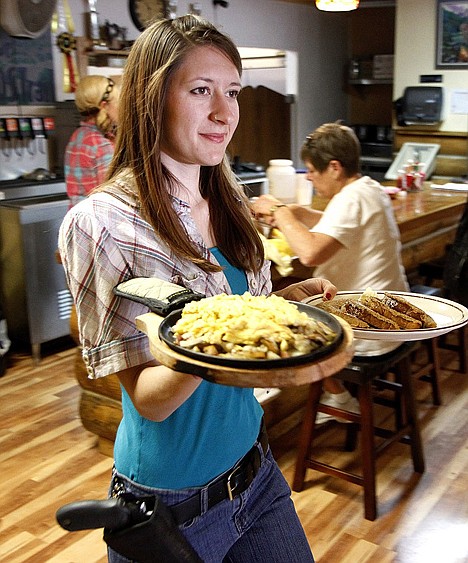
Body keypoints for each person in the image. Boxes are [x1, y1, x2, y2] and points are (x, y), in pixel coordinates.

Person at [58, 16, 339, 562]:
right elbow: (150, 400)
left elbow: (237, 321)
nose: (225, 112)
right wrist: (227, 335)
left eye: (231, 91)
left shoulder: (229, 195)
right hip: (173, 506)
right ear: (150, 99)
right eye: (201, 90)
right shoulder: (101, 224)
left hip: (256, 472)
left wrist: (281, 311)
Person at [251, 122, 409, 423]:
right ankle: (336, 392)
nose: (308, 177)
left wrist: (280, 212)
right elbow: (343, 225)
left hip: (369, 328)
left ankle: (339, 398)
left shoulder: (351, 198)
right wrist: (302, 214)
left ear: (334, 167)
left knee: (284, 326)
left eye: (311, 170)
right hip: (389, 315)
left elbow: (310, 252)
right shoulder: (368, 188)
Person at [64, 74, 120, 206]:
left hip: (78, 218)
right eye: (117, 102)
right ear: (104, 106)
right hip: (98, 221)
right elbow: (113, 197)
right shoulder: (100, 145)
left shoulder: (78, 136)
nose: (119, 108)